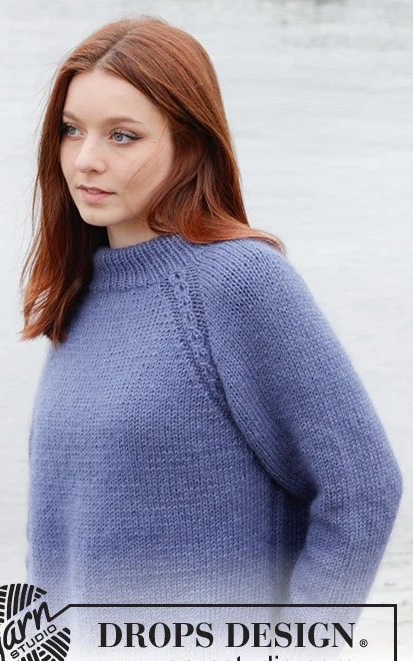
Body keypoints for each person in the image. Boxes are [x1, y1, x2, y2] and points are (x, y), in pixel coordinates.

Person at [20, 15, 402, 630]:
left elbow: (362, 489)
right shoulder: (85, 290)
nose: (86, 160)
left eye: (123, 136)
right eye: (72, 130)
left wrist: (295, 660)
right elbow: (61, 540)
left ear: (190, 143)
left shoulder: (238, 282)